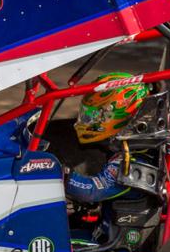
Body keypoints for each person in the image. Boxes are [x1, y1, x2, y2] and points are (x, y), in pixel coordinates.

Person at [56, 72, 148, 205]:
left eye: (93, 116)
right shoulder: (125, 148)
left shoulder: (134, 158)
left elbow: (90, 191)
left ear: (116, 116)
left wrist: (57, 174)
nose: (87, 121)